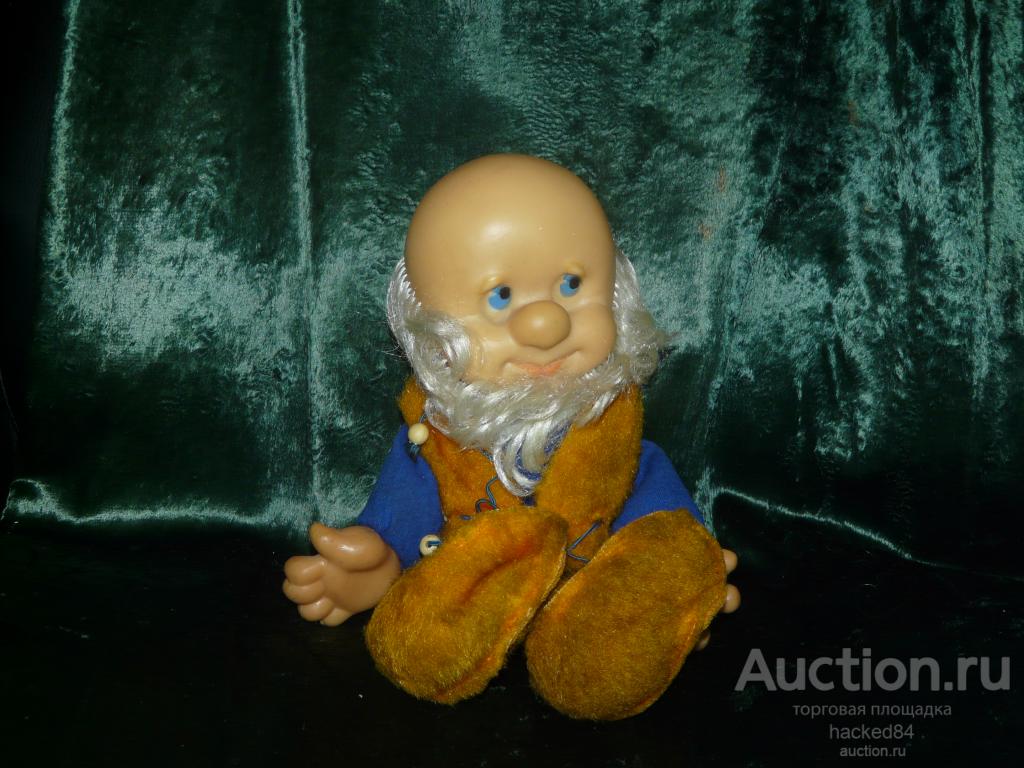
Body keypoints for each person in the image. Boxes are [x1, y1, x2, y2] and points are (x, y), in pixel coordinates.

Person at [282, 154, 739, 720]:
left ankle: (627, 632)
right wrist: (378, 566)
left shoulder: (612, 430)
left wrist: (681, 579)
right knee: (423, 644)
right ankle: (443, 629)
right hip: (471, 590)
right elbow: (405, 505)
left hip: (588, 596)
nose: (546, 324)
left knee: (657, 573)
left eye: (571, 284)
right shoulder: (436, 439)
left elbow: (654, 511)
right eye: (500, 297)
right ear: (431, 330)